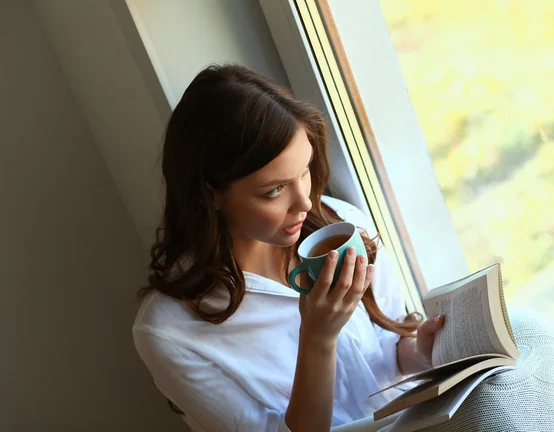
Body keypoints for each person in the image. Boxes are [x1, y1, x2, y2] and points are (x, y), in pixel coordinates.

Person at [132, 63, 446, 432]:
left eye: (305, 171)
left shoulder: (341, 227)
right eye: (274, 190)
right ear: (210, 194)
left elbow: (385, 355)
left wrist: (422, 350)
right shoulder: (171, 332)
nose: (306, 204)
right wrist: (318, 337)